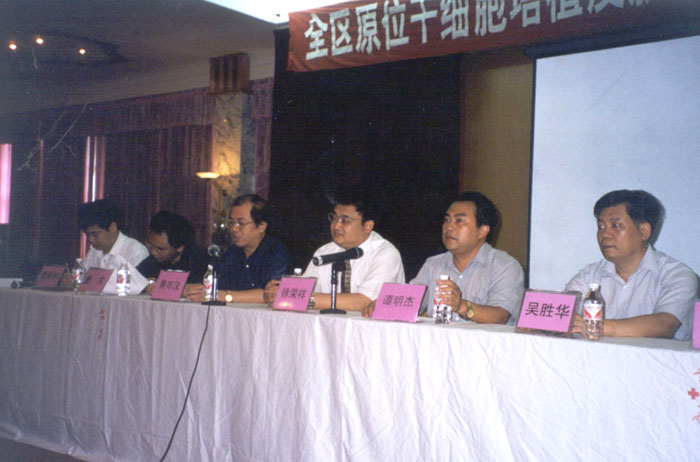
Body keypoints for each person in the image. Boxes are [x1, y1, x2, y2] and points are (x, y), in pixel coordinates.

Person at [364, 191, 524, 323]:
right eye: (447, 220)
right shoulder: (433, 264)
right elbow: (411, 302)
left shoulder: (505, 266)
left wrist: (462, 306)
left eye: (459, 220)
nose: (449, 227)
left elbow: (500, 316)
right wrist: (384, 305)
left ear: (483, 230)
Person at [565, 189, 698, 340]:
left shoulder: (678, 275)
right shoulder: (588, 275)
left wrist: (595, 326)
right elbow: (562, 315)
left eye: (616, 225)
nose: (605, 234)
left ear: (644, 231)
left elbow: (664, 325)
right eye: (601, 227)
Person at [265, 189, 405, 311]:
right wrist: (279, 292)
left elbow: (363, 301)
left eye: (345, 220)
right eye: (334, 218)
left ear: (368, 226)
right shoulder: (324, 252)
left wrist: (303, 298)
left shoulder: (385, 254)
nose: (336, 225)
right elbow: (304, 290)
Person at [183, 194, 291, 303]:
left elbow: (272, 294)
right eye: (231, 222)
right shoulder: (231, 253)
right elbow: (217, 286)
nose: (234, 228)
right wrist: (196, 290)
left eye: (241, 223)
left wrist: (222, 295)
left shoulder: (277, 252)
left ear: (261, 226)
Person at [77, 198, 148, 293]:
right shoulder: (93, 252)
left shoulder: (135, 251)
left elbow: (140, 290)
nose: (90, 240)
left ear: (112, 227)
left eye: (95, 234)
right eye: (87, 235)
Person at [136, 210, 209, 294]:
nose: (153, 252)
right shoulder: (152, 261)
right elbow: (134, 279)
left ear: (180, 247)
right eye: (150, 246)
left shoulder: (200, 262)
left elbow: (199, 290)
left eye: (160, 249)